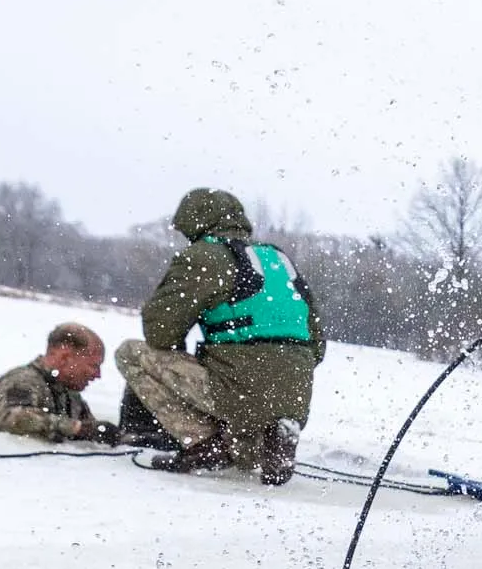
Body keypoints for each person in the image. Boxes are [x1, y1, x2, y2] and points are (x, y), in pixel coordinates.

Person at [114, 188, 327, 481]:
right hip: (295, 394)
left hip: (237, 384)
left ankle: (204, 443)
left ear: (195, 223)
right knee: (247, 434)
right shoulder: (277, 258)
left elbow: (159, 333)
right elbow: (318, 344)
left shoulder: (205, 256)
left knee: (131, 353)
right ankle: (270, 436)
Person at [0, 323, 117, 444]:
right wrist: (76, 428)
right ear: (65, 357)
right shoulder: (21, 381)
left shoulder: (71, 395)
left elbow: (91, 430)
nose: (97, 375)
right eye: (93, 366)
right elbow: (12, 419)